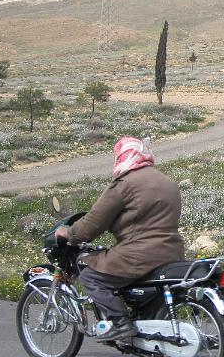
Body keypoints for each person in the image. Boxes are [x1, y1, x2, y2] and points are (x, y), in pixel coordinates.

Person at [55, 136, 185, 341]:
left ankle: (120, 323)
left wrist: (69, 233)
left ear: (124, 156)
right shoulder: (167, 181)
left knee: (90, 275)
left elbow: (93, 222)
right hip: (173, 253)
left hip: (139, 254)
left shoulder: (125, 184)